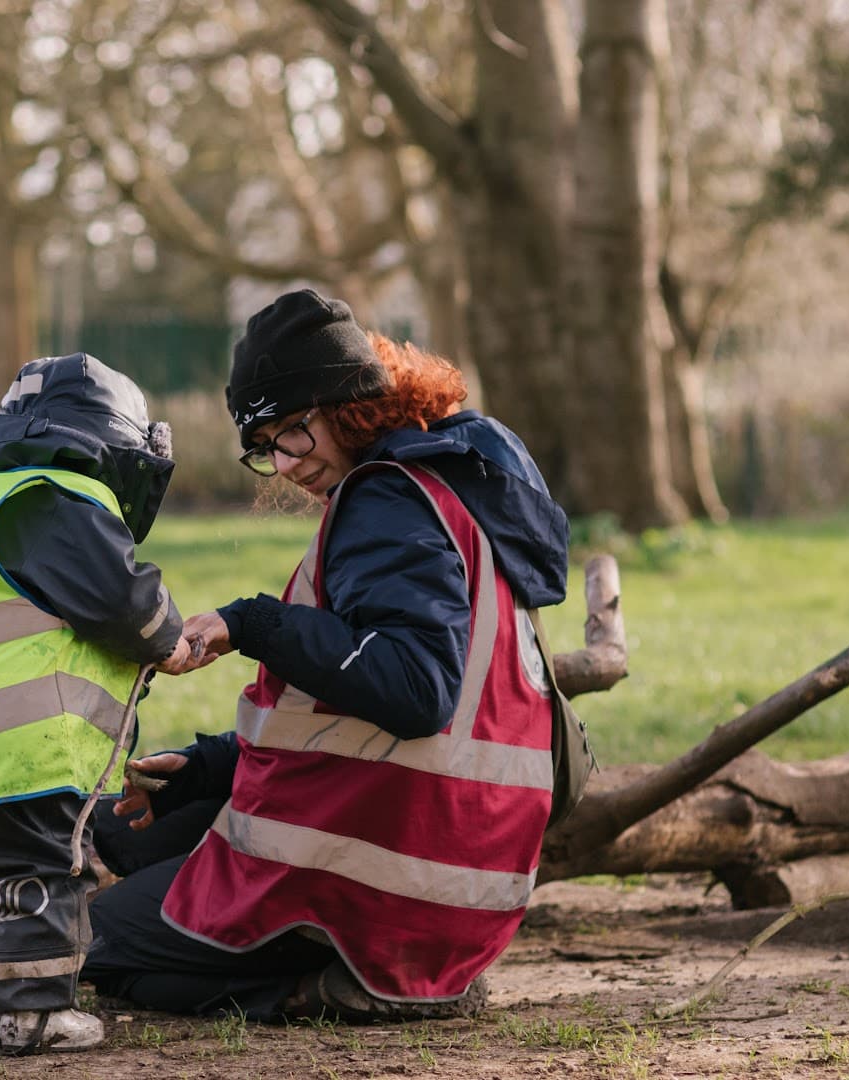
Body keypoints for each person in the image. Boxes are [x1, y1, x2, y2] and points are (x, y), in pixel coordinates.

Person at [82, 288, 571, 1023]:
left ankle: (336, 985)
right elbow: (354, 699)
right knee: (126, 836)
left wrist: (253, 622)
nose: (282, 464)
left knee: (100, 941)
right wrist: (211, 769)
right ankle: (369, 964)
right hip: (470, 863)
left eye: (293, 432)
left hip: (410, 878)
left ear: (347, 403)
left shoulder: (388, 501)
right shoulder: (453, 481)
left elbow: (414, 692)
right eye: (265, 446)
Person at [0, 353, 191, 1055]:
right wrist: (167, 636)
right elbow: (120, 599)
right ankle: (36, 1010)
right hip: (21, 750)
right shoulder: (56, 498)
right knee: (39, 870)